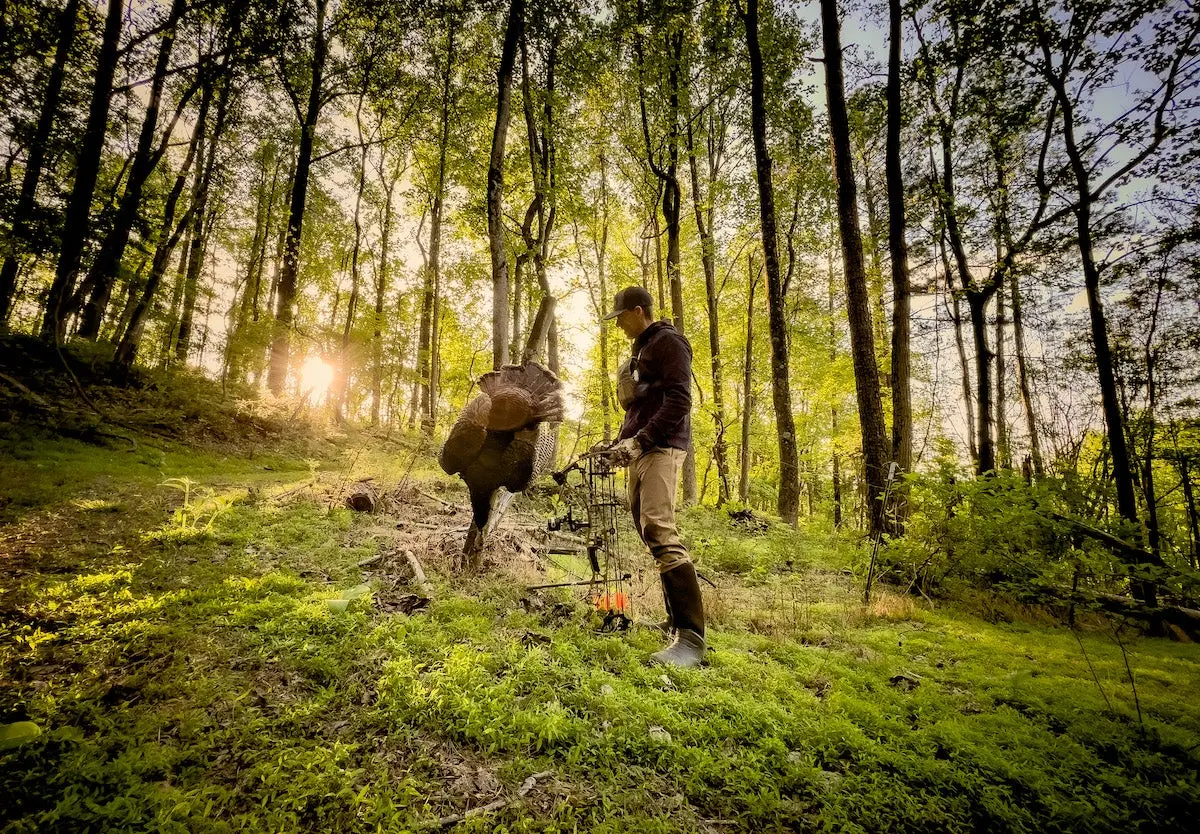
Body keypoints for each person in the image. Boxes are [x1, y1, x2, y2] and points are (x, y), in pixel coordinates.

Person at [599, 286, 706, 668]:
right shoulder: (641, 350)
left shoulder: (670, 343)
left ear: (638, 310)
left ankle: (691, 640)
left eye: (621, 318)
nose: (619, 326)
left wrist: (641, 441)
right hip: (640, 448)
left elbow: (680, 401)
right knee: (646, 529)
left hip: (662, 448)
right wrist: (617, 443)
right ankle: (674, 621)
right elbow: (641, 409)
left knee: (660, 528)